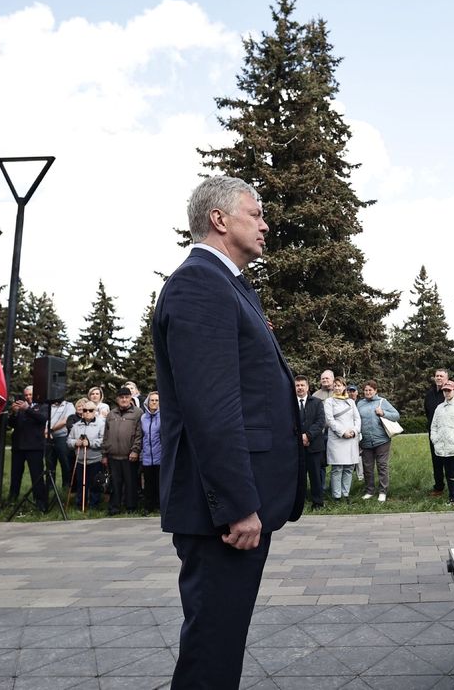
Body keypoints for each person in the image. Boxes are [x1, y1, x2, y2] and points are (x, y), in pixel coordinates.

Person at [153, 175, 304, 689]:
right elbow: (212, 409)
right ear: (219, 219)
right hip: (221, 513)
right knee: (212, 652)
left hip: (233, 504)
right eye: (255, 214)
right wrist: (238, 505)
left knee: (219, 643)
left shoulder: (229, 284)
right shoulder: (200, 284)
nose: (265, 225)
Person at [356, 379, 399, 503]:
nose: (368, 392)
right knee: (367, 467)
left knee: (382, 466)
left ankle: (382, 491)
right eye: (366, 390)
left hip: (382, 440)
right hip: (365, 441)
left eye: (370, 390)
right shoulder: (360, 404)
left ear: (375, 391)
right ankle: (369, 491)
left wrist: (383, 413)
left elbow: (396, 415)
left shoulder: (382, 401)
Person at [103, 386, 143, 516]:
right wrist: (104, 454)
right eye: (121, 397)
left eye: (126, 397)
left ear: (130, 398)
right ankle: (114, 507)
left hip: (129, 455)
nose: (124, 400)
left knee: (130, 483)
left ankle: (131, 507)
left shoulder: (138, 413)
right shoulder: (111, 414)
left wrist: (135, 450)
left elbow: (139, 434)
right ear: (117, 399)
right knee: (115, 483)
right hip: (113, 455)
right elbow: (106, 435)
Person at [9, 386, 50, 511]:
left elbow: (42, 419)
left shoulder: (43, 406)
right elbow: (11, 424)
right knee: (15, 475)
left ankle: (40, 502)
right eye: (26, 395)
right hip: (18, 447)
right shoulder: (21, 407)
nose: (28, 397)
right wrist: (14, 413)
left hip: (35, 447)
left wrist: (27, 409)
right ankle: (12, 499)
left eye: (30, 394)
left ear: (35, 395)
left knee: (37, 475)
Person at [430, 380, 454, 505]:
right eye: (445, 390)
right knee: (447, 473)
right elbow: (434, 426)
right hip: (441, 447)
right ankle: (452, 496)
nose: (446, 393)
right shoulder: (439, 408)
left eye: (449, 390)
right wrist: (435, 439)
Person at [324, 377, 361, 501]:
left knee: (349, 468)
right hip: (337, 439)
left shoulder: (350, 402)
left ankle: (346, 494)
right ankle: (337, 496)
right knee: (337, 468)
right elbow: (330, 420)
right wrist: (343, 432)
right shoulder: (329, 401)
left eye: (339, 385)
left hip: (351, 439)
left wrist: (354, 431)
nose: (337, 388)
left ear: (344, 387)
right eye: (335, 385)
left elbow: (357, 419)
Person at [295, 376, 326, 510]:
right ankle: (298, 503)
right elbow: (287, 422)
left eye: (302, 385)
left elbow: (320, 422)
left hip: (314, 446)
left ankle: (317, 502)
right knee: (298, 477)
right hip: (296, 447)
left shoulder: (317, 402)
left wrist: (308, 436)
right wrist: (299, 438)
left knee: (315, 476)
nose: (300, 388)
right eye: (297, 385)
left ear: (307, 387)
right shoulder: (290, 404)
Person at [67, 401, 105, 509]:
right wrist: (75, 443)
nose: (87, 412)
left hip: (95, 459)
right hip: (80, 460)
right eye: (85, 410)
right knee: (81, 483)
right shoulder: (76, 425)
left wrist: (90, 443)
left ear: (95, 412)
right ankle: (81, 503)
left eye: (90, 410)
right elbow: (69, 440)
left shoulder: (101, 424)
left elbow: (104, 440)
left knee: (95, 483)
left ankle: (94, 504)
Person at [424, 367, 450, 497]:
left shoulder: (449, 393)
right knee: (437, 461)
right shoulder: (429, 394)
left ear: (447, 379)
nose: (438, 378)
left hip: (449, 433)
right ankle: (439, 487)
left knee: (450, 461)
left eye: (441, 376)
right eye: (437, 376)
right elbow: (427, 412)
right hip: (434, 433)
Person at [139, 391, 162, 513]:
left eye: (156, 400)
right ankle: (148, 507)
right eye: (152, 400)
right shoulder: (143, 418)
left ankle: (160, 506)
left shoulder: (163, 416)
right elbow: (141, 436)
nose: (154, 402)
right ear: (147, 402)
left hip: (160, 456)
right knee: (148, 483)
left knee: (159, 483)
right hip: (147, 456)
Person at [50, 398, 76, 493]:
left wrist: (50, 429)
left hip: (62, 437)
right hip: (48, 438)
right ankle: (50, 487)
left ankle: (66, 486)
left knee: (65, 462)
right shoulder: (49, 405)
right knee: (50, 463)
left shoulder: (69, 405)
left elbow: (66, 420)